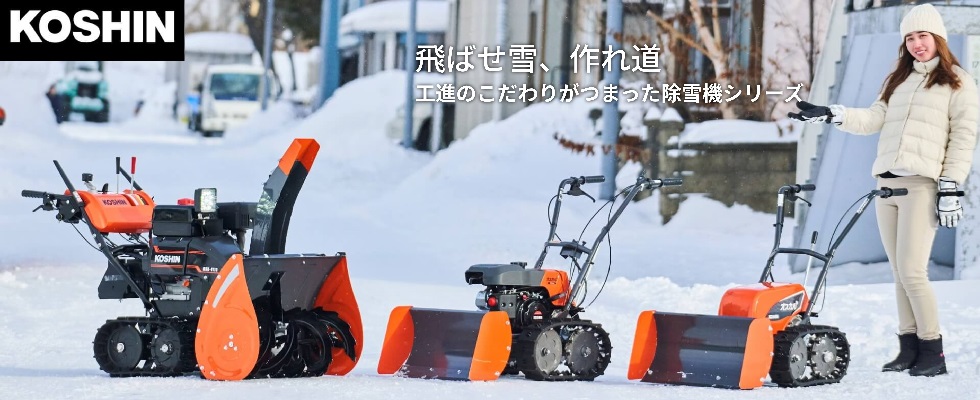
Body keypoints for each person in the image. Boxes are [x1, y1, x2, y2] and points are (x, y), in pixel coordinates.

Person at [789, 3, 977, 377]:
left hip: (921, 186)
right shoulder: (898, 80)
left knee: (913, 271)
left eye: (923, 36)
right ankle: (909, 349)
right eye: (910, 37)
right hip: (887, 187)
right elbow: (873, 118)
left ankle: (933, 351)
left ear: (938, 37)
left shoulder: (958, 82)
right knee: (898, 271)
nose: (916, 44)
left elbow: (963, 139)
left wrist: (951, 187)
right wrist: (831, 113)